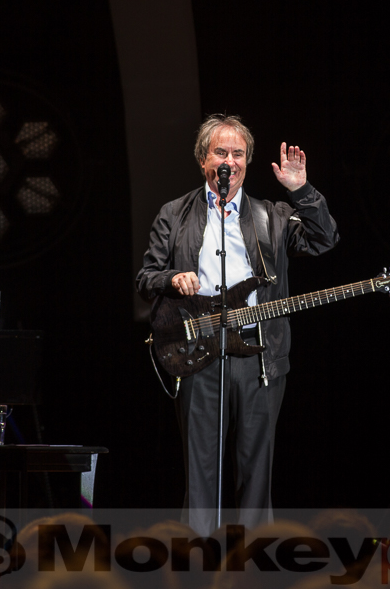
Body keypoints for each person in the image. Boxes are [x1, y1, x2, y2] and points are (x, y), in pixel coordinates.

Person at [136, 113, 339, 535]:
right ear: (203, 160)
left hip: (259, 358)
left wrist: (302, 191)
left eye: (238, 153)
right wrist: (172, 279)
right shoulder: (174, 214)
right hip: (196, 353)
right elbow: (145, 278)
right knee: (201, 473)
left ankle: (250, 569)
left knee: (256, 473)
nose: (230, 160)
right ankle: (197, 566)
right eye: (220, 152)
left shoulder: (273, 216)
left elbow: (323, 240)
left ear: (247, 161)